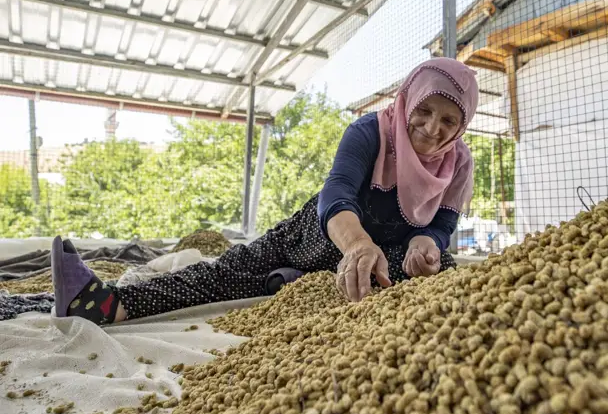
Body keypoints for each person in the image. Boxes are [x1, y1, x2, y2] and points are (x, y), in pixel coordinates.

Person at [50, 58, 479, 325]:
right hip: (324, 233)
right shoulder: (371, 131)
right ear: (407, 101)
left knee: (449, 271)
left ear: (462, 125)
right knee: (229, 271)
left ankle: (295, 283)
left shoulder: (459, 163)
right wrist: (357, 245)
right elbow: (337, 193)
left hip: (384, 260)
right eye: (423, 111)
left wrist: (427, 242)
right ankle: (110, 305)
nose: (431, 128)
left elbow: (444, 222)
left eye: (448, 121)